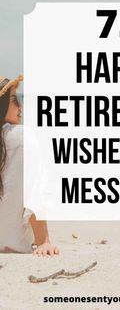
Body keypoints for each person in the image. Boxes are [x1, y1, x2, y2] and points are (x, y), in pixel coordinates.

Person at [0, 74, 59, 256]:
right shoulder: (22, 137)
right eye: (14, 100)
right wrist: (43, 241)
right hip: (12, 246)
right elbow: (36, 190)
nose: (20, 106)